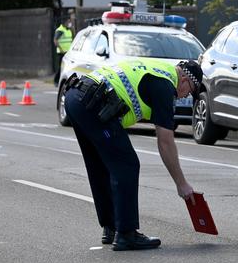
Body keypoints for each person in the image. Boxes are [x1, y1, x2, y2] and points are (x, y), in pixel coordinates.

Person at [63, 58, 201, 251]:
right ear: (186, 80)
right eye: (189, 93)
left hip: (74, 96)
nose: (184, 97)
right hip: (92, 103)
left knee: (101, 164)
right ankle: (126, 234)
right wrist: (181, 183)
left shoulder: (156, 69)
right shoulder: (165, 85)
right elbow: (165, 141)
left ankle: (111, 227)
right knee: (127, 164)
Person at [53, 16, 73, 86]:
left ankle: (64, 81)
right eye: (68, 22)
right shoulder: (60, 30)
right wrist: (61, 50)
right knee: (60, 68)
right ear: (64, 22)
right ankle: (56, 81)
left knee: (67, 68)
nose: (69, 23)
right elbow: (55, 41)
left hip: (67, 52)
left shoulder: (68, 30)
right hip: (61, 53)